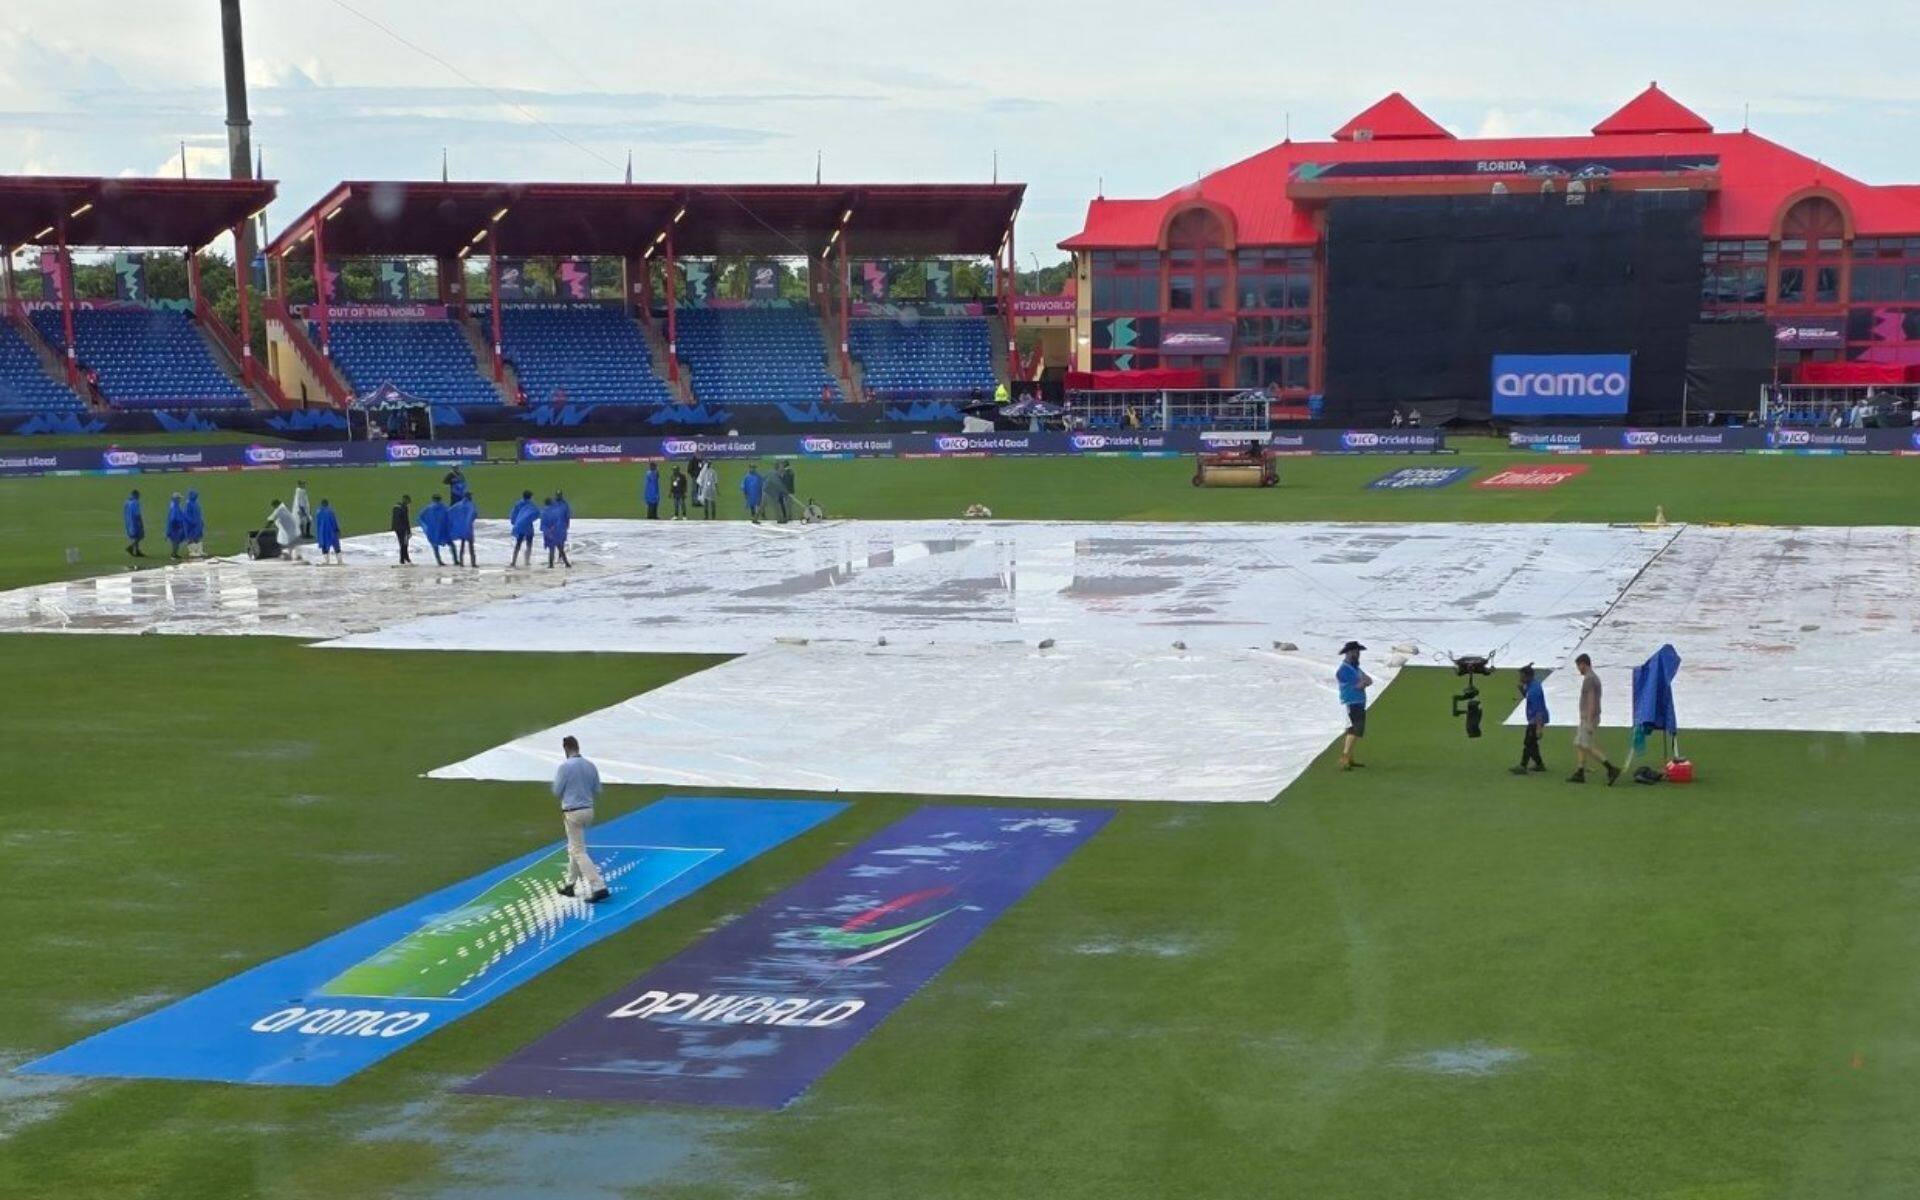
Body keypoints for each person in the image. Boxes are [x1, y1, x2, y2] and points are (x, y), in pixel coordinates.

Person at [551, 735, 609, 902]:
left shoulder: (565, 767)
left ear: (566, 749)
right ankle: (570, 885)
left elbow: (557, 791)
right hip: (588, 810)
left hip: (572, 811)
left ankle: (598, 886)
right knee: (574, 848)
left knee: (578, 851)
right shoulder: (590, 765)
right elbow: (597, 789)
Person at [1568, 654, 1622, 785]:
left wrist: (1589, 722)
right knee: (1580, 743)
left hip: (1588, 717)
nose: (1578, 669)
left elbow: (1591, 700)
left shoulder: (1589, 679)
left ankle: (1611, 768)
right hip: (1587, 717)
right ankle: (1580, 771)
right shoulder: (1593, 678)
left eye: (1578, 666)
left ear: (1583, 664)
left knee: (1587, 745)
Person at [1335, 640, 1372, 771]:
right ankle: (1345, 757)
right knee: (1354, 730)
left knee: (1353, 730)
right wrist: (1364, 682)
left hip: (1358, 701)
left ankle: (1349, 757)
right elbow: (1360, 684)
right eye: (1356, 652)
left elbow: (1368, 680)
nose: (1357, 655)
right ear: (1349, 653)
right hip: (1352, 702)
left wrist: (1364, 681)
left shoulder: (1354, 668)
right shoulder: (1344, 670)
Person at [1511, 665, 1549, 776]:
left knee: (1528, 742)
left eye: (1521, 676)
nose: (1520, 678)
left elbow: (1538, 711)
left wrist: (1538, 728)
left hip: (1536, 719)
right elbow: (1527, 697)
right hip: (1535, 718)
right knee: (1532, 743)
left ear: (1528, 676)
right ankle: (1539, 764)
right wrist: (1522, 690)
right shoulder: (1532, 685)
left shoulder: (1534, 691)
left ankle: (1523, 766)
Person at [418, 493, 450, 566]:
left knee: (435, 546)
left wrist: (425, 526)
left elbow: (420, 517)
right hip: (442, 529)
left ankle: (439, 561)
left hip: (432, 530)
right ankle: (456, 559)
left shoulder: (429, 508)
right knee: (450, 543)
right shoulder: (444, 507)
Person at [509, 490, 539, 567]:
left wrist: (515, 522)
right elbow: (536, 513)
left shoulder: (518, 504)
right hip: (528, 526)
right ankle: (527, 561)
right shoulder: (531, 505)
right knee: (529, 544)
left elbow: (513, 514)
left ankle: (513, 561)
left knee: (518, 544)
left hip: (520, 526)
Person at [543, 492, 572, 568]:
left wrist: (547, 531)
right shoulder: (553, 510)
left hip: (550, 532)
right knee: (559, 547)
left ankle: (551, 564)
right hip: (556, 531)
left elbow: (543, 524)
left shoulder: (545, 511)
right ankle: (566, 563)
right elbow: (556, 520)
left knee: (552, 548)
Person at [448, 492, 477, 568]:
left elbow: (450, 512)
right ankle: (473, 563)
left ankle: (461, 562)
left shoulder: (458, 505)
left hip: (460, 529)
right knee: (471, 546)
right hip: (468, 529)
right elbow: (474, 514)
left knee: (462, 545)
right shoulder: (471, 505)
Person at [313, 497, 343, 564]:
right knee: (336, 546)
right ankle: (340, 560)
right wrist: (337, 529)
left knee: (324, 546)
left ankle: (326, 561)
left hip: (323, 532)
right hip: (332, 531)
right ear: (327, 504)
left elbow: (317, 523)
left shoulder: (318, 512)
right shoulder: (330, 511)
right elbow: (334, 521)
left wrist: (318, 534)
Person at [164, 492, 189, 559]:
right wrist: (179, 524)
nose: (180, 500)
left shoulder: (175, 506)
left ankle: (174, 553)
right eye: (179, 498)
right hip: (175, 528)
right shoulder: (175, 507)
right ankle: (174, 554)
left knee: (176, 542)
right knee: (175, 542)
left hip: (174, 527)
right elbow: (173, 518)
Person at [122, 489, 146, 558]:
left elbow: (125, 511)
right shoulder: (135, 502)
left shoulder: (127, 502)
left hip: (129, 522)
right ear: (135, 495)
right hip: (135, 522)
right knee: (140, 536)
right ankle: (130, 547)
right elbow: (137, 514)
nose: (139, 497)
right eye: (138, 495)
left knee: (135, 537)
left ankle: (137, 551)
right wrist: (141, 523)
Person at [391, 493, 413, 565]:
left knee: (402, 543)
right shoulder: (404, 508)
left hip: (397, 528)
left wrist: (392, 527)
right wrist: (409, 531)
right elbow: (406, 520)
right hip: (403, 529)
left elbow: (394, 519)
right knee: (404, 544)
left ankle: (406, 558)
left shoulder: (396, 507)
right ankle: (402, 559)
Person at [183, 488, 206, 558]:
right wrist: (191, 522)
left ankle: (199, 550)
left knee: (198, 536)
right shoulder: (188, 504)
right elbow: (186, 515)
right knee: (191, 537)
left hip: (198, 523)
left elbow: (199, 513)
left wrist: (201, 521)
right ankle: (192, 551)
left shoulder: (196, 503)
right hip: (191, 524)